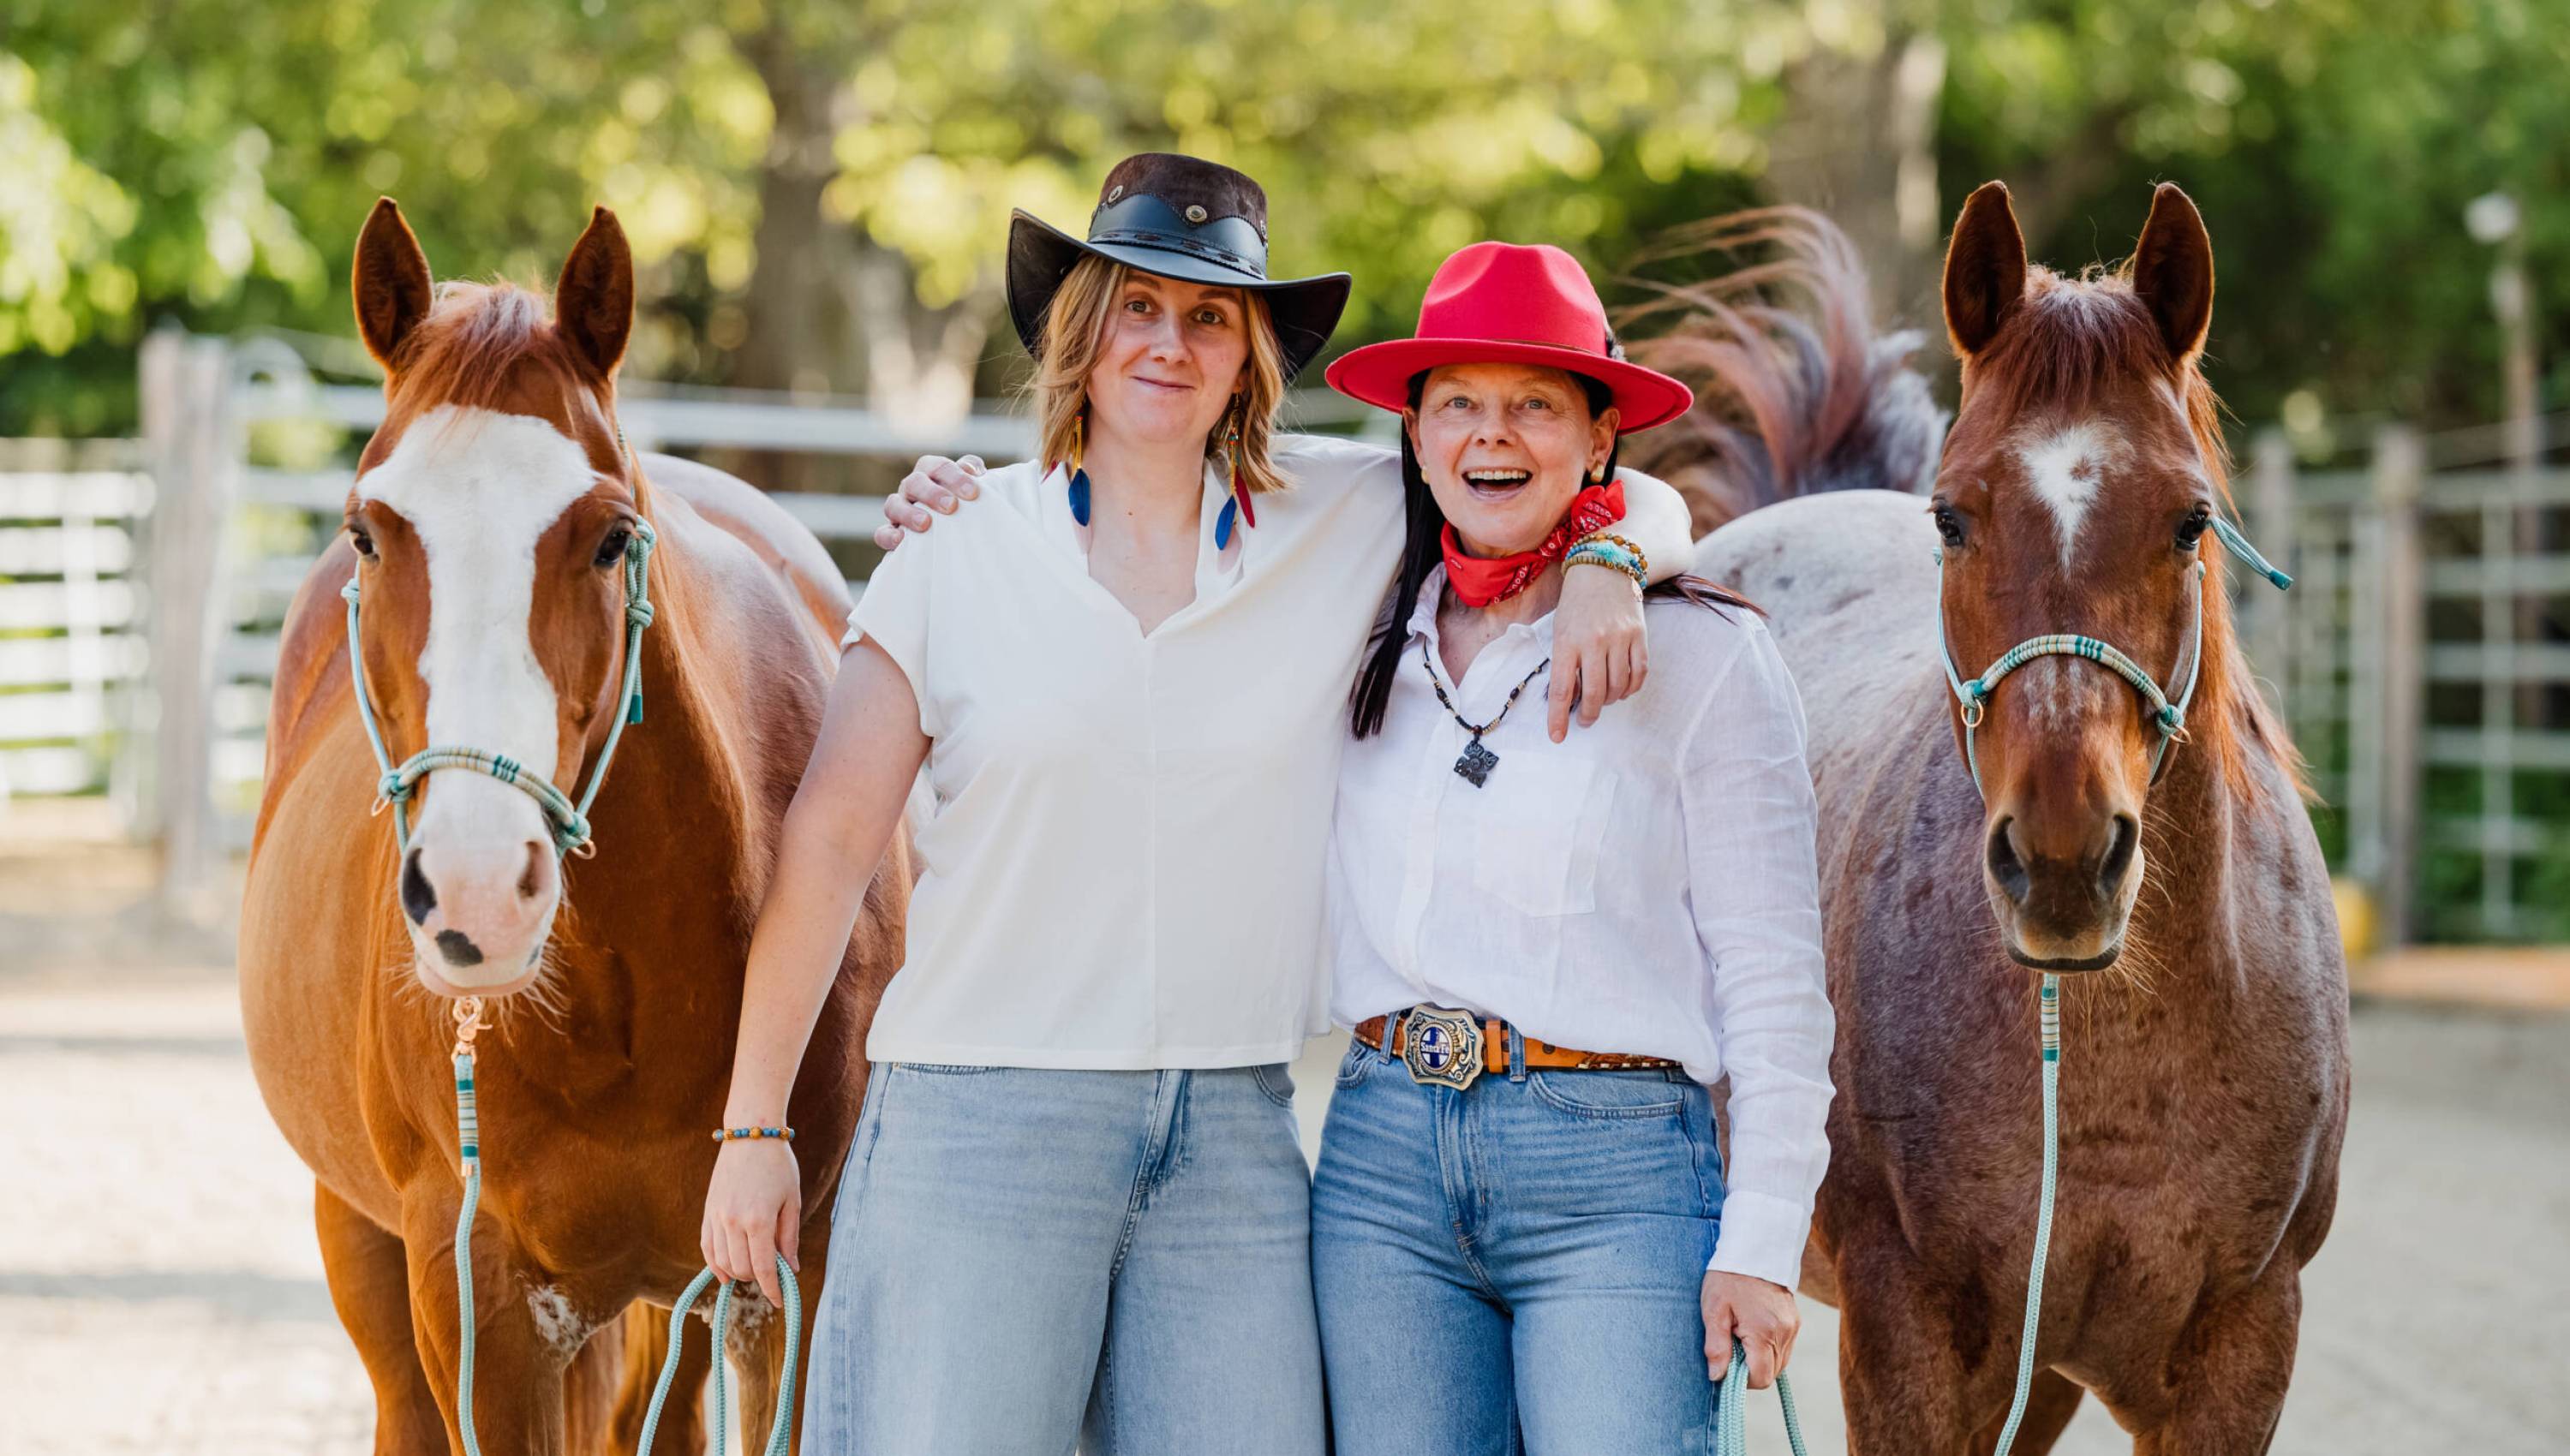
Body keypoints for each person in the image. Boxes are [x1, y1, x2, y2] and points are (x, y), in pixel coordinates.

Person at [696, 154, 1697, 1455]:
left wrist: (1614, 558)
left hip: (1230, 1139)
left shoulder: (1340, 517)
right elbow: (829, 851)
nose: (1169, 343)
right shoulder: (959, 547)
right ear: (1081, 333)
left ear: (1247, 361)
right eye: (1136, 306)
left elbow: (1587, 479)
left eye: (1209, 317)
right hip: (983, 1129)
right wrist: (755, 1125)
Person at [1311, 241, 1835, 1453]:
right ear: (1418, 431)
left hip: (1616, 1180)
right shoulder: (1357, 610)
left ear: (1600, 437)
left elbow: (1774, 981)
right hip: (1381, 1161)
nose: (1493, 438)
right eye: (1459, 405)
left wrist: (1762, 1240)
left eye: (1536, 405)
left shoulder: (1707, 659)